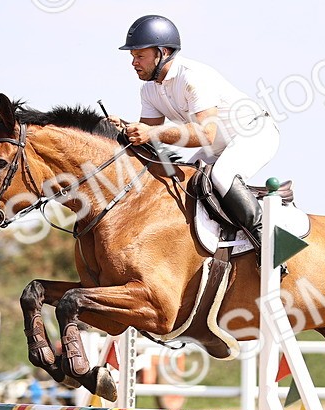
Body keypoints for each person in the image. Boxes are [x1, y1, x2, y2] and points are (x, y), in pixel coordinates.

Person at [108, 14, 280, 249]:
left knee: (222, 176)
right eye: (132, 56)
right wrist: (125, 128)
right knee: (184, 180)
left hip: (254, 133)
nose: (134, 62)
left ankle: (271, 243)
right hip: (217, 146)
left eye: (140, 55)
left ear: (163, 52)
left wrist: (150, 133)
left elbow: (204, 134)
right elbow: (149, 139)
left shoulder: (192, 77)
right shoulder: (149, 90)